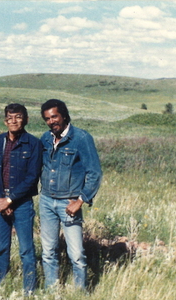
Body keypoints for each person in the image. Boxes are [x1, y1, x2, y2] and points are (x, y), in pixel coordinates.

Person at [39, 99, 102, 290]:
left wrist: (81, 200)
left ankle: (79, 292)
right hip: (46, 201)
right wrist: (2, 138)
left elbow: (94, 172)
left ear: (64, 115)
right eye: (47, 119)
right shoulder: (45, 138)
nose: (51, 121)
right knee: (48, 251)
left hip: (69, 203)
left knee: (76, 254)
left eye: (54, 116)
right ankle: (51, 289)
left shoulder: (81, 138)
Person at [0, 103, 42, 295]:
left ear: (26, 119)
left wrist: (10, 200)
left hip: (22, 203)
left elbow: (32, 177)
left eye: (18, 117)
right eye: (10, 118)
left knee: (26, 251)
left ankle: (29, 291)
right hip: (0, 202)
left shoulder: (33, 144)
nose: (14, 121)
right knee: (1, 248)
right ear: (5, 121)